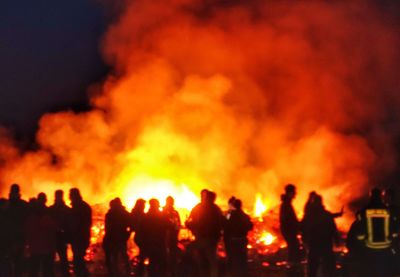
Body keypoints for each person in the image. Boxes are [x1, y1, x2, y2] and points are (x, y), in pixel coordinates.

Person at [347, 188, 396, 277]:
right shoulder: (388, 211)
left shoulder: (364, 212)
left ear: (371, 196)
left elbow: (360, 233)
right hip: (386, 248)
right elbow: (394, 231)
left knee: (371, 272)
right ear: (381, 197)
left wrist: (360, 243)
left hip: (370, 248)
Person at [186, 189, 223, 277]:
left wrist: (189, 225)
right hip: (212, 239)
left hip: (202, 238)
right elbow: (221, 223)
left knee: (202, 260)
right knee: (211, 260)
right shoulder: (216, 209)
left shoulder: (199, 207)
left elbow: (193, 221)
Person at [302, 194, 338, 277]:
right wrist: (336, 240)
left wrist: (305, 241)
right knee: (330, 268)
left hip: (314, 245)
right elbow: (333, 229)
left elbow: (303, 228)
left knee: (312, 269)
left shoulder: (309, 215)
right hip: (326, 245)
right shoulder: (327, 214)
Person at [25, 194, 57, 277]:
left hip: (35, 247)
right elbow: (51, 230)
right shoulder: (47, 214)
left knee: (34, 269)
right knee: (47, 270)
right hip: (45, 247)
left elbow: (28, 231)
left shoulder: (30, 215)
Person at [141, 199, 171, 277]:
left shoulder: (146, 216)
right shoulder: (161, 216)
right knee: (162, 263)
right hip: (160, 242)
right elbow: (169, 225)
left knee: (152, 263)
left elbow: (143, 230)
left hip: (150, 243)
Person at [223, 198, 253, 277]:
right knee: (242, 259)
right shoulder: (244, 215)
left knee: (232, 258)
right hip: (242, 240)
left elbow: (225, 223)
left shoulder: (230, 215)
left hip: (233, 241)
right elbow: (250, 226)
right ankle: (243, 273)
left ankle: (231, 273)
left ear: (234, 205)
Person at [103, 198, 131, 277]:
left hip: (115, 239)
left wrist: (126, 235)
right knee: (122, 256)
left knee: (116, 257)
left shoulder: (111, 214)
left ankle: (117, 273)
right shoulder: (123, 213)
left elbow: (107, 228)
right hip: (119, 239)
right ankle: (126, 272)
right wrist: (127, 234)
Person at [6, 184, 28, 277]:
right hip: (12, 238)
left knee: (14, 262)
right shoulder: (23, 205)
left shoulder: (7, 205)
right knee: (13, 262)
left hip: (15, 238)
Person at [69, 188, 92, 277]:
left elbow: (75, 224)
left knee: (78, 262)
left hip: (79, 238)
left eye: (70, 194)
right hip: (82, 238)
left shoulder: (78, 208)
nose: (69, 196)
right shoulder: (84, 206)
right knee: (79, 261)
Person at [49, 190, 71, 277]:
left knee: (53, 260)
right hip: (57, 238)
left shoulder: (52, 209)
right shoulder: (66, 210)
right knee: (61, 260)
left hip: (57, 238)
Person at [279, 184, 301, 266]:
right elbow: (287, 220)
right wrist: (296, 226)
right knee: (293, 248)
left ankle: (292, 267)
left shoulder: (287, 204)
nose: (295, 194)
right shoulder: (286, 205)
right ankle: (292, 268)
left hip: (289, 231)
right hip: (289, 231)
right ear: (290, 193)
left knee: (293, 247)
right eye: (294, 192)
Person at [162, 196, 181, 277]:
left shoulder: (175, 212)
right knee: (166, 253)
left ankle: (173, 270)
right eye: (170, 201)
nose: (171, 203)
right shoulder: (163, 212)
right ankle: (167, 270)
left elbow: (178, 223)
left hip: (173, 236)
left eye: (172, 202)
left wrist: (176, 229)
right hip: (165, 236)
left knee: (173, 253)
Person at [130, 199, 146, 276]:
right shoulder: (139, 214)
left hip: (139, 236)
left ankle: (139, 269)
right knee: (143, 253)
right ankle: (140, 270)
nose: (144, 206)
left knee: (142, 253)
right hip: (141, 236)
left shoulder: (135, 212)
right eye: (143, 205)